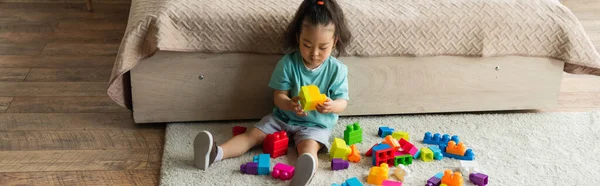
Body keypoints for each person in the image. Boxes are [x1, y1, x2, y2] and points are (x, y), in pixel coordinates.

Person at [194, 0, 351, 185]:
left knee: (308, 147)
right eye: (307, 45)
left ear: (335, 41)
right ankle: (215, 153)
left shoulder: (337, 70)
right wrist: (289, 104)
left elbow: (343, 102)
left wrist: (332, 106)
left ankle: (304, 172)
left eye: (323, 47)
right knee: (252, 135)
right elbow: (279, 96)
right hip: (283, 117)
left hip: (316, 125)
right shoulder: (288, 63)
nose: (314, 53)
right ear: (298, 37)